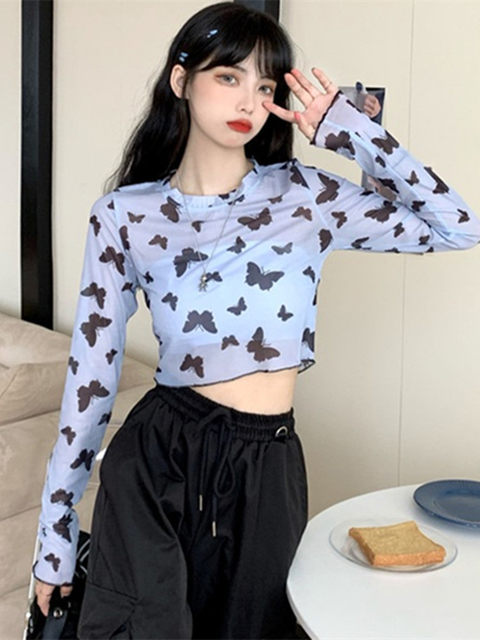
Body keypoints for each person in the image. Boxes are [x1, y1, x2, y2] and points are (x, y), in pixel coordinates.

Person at [32, 2, 480, 638]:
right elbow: (91, 376)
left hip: (266, 461)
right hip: (159, 455)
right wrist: (54, 536)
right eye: (228, 76)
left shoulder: (305, 196)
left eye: (265, 86)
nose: (249, 99)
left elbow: (457, 226)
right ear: (181, 80)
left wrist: (348, 130)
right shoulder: (124, 215)